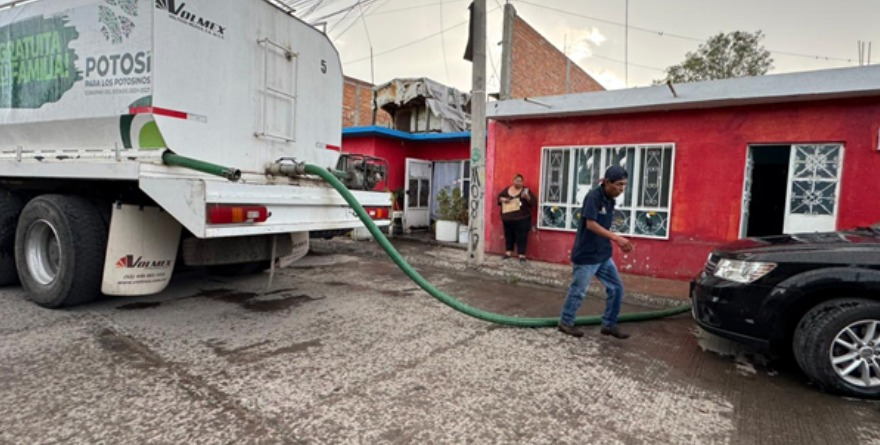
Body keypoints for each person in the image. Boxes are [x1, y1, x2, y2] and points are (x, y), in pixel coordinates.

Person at [557, 165, 634, 340]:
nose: (622, 189)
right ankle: (565, 322)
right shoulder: (593, 197)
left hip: (603, 254)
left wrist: (612, 241)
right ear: (607, 182)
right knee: (579, 290)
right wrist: (617, 238)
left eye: (624, 185)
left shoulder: (610, 199)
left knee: (616, 288)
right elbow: (590, 224)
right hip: (587, 255)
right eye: (619, 185)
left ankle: (609, 324)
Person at [497, 174, 533, 262]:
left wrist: (527, 197)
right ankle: (508, 253)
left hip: (522, 219)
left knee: (522, 237)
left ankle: (521, 255)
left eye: (520, 181)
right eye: (517, 180)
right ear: (513, 181)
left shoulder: (526, 191)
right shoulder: (507, 190)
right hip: (508, 218)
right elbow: (499, 198)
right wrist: (503, 200)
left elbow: (533, 202)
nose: (518, 182)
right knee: (508, 236)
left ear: (523, 182)